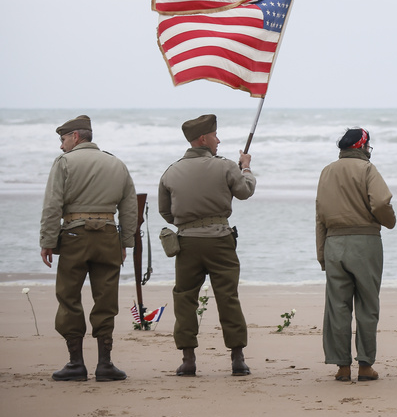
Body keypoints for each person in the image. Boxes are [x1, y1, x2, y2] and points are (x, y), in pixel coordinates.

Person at [39, 115, 137, 382]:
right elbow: (129, 207)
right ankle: (105, 365)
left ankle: (75, 364)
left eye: (63, 140)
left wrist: (47, 241)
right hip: (108, 236)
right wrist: (126, 242)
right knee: (106, 299)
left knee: (69, 297)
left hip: (74, 235)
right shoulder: (117, 163)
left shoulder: (64, 163)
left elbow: (52, 205)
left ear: (75, 137)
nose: (61, 146)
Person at [158, 114, 256, 377]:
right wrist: (245, 167)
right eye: (214, 136)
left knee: (184, 298)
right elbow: (245, 191)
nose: (218, 140)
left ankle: (188, 359)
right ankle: (237, 359)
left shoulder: (171, 171)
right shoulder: (225, 166)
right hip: (220, 242)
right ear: (203, 138)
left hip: (187, 243)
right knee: (228, 297)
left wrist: (189, 221)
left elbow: (165, 213)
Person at [316, 128, 396, 382]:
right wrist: (389, 222)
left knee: (337, 307)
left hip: (334, 243)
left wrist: (321, 254)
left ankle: (342, 367)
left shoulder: (326, 171)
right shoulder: (367, 170)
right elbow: (381, 203)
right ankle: (364, 366)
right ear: (362, 146)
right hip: (365, 243)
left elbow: (320, 216)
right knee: (367, 306)